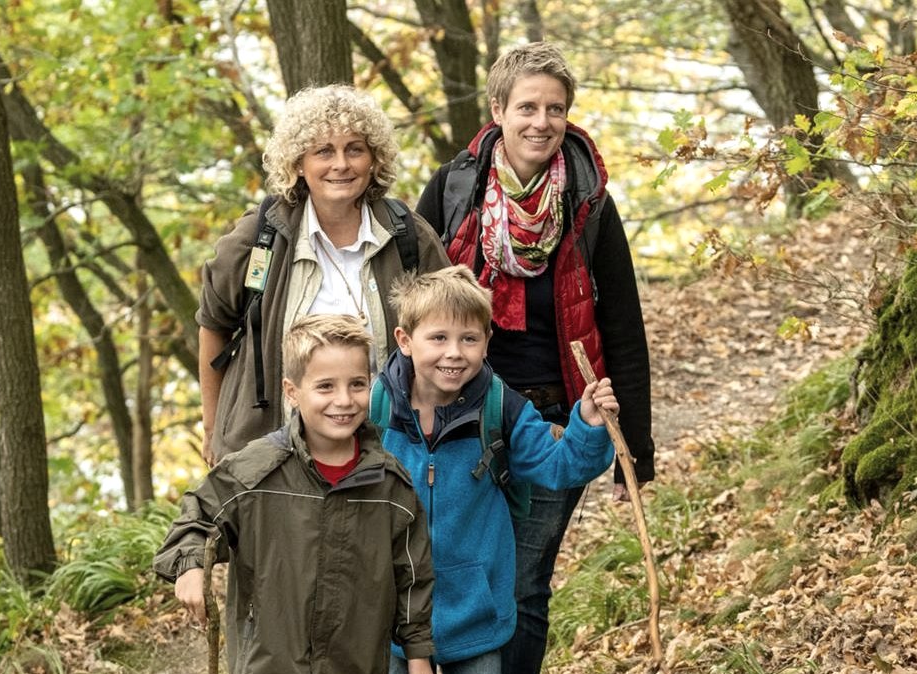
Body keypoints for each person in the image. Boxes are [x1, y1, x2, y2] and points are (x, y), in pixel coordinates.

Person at [414, 42, 655, 672]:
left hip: (552, 420)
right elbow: (410, 301)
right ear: (498, 110)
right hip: (462, 418)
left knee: (523, 583)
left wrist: (636, 446)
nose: (541, 122)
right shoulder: (453, 188)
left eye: (555, 109)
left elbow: (622, 327)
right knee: (456, 571)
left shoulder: (590, 202)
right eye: (526, 107)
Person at [155, 314, 436, 674]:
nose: (344, 400)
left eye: (357, 384)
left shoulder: (391, 487)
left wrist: (418, 656)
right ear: (292, 391)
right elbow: (197, 516)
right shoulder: (255, 472)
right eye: (325, 387)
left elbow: (413, 579)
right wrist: (190, 566)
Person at [376, 265, 617, 674]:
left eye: (469, 338)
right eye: (438, 338)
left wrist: (588, 428)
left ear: (487, 341)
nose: (455, 352)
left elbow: (559, 466)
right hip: (394, 617)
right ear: (405, 340)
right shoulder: (378, 407)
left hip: (477, 618)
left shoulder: (500, 409)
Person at [198, 84, 451, 466]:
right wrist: (212, 427)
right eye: (324, 151)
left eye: (355, 149)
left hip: (384, 454)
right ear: (299, 162)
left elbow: (450, 330)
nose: (341, 164)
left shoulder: (407, 236)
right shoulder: (261, 235)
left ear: (374, 158)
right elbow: (213, 323)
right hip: (270, 456)